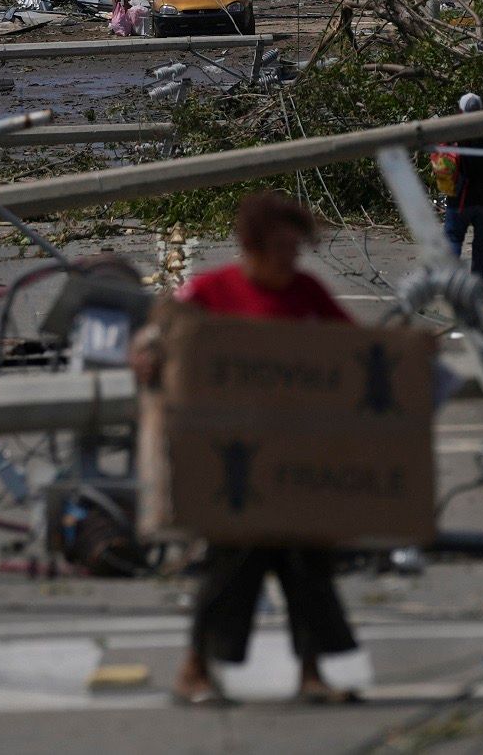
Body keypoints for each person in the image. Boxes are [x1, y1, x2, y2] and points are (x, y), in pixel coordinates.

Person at [129, 192, 362, 707]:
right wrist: (147, 354)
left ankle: (311, 674)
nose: (290, 258)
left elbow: (358, 352)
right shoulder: (213, 291)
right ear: (252, 246)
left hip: (298, 456)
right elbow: (157, 332)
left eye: (296, 248)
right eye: (280, 248)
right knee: (234, 563)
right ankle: (195, 670)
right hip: (231, 460)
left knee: (308, 566)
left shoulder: (307, 294)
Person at [445, 92, 483, 279]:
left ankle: (452, 282)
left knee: (453, 239)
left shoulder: (453, 131)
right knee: (482, 244)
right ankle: (480, 284)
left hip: (459, 198)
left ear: (460, 110)